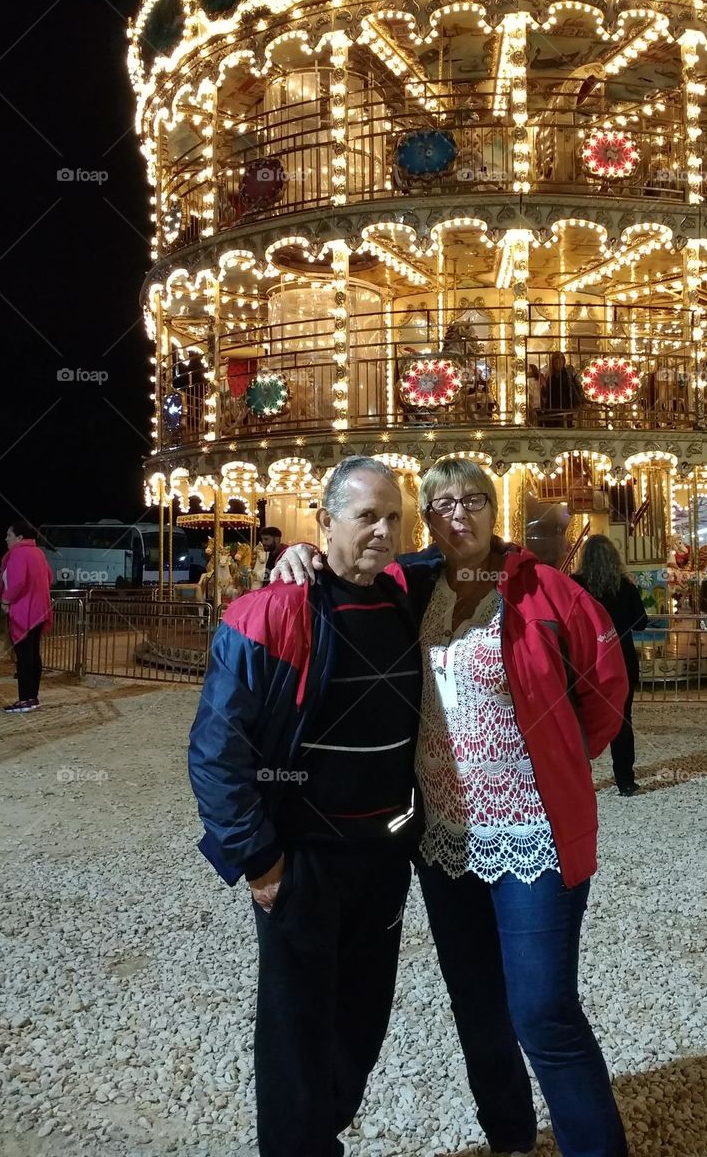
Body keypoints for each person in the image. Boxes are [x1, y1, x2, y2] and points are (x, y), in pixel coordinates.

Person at [276, 457, 630, 1157]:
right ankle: (510, 1138)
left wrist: (557, 760)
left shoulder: (546, 590)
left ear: (496, 511)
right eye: (442, 504)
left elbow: (606, 691)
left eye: (473, 500)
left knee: (543, 1012)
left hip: (530, 832)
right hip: (445, 839)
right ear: (428, 518)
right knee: (477, 1009)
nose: (458, 514)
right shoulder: (414, 585)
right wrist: (298, 552)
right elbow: (347, 565)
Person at [188, 458, 421, 1157]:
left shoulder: (403, 597)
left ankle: (322, 1134)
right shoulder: (269, 614)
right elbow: (216, 749)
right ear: (325, 522)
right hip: (304, 860)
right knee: (296, 1033)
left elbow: (466, 553)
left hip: (383, 855)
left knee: (361, 1021)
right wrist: (259, 859)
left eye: (393, 518)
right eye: (366, 516)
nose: (382, 531)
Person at [572, 534, 647, 796]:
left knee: (578, 719)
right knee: (623, 718)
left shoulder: (575, 585)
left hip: (586, 661)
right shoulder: (625, 587)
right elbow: (641, 622)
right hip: (621, 659)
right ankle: (625, 779)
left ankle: (581, 778)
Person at [0, 521, 53, 713]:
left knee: (24, 657)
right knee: (33, 654)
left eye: (9, 535)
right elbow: (50, 577)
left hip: (24, 612)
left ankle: (25, 700)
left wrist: (6, 600)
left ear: (20, 537)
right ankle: (32, 697)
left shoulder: (18, 554)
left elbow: (17, 582)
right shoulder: (38, 553)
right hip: (40, 610)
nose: (6, 538)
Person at [539, 351, 583, 428]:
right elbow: (545, 394)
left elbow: (575, 387)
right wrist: (544, 386)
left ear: (563, 362)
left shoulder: (568, 374)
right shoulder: (550, 376)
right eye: (555, 363)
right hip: (553, 406)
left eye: (559, 362)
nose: (557, 365)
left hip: (566, 405)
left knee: (566, 426)